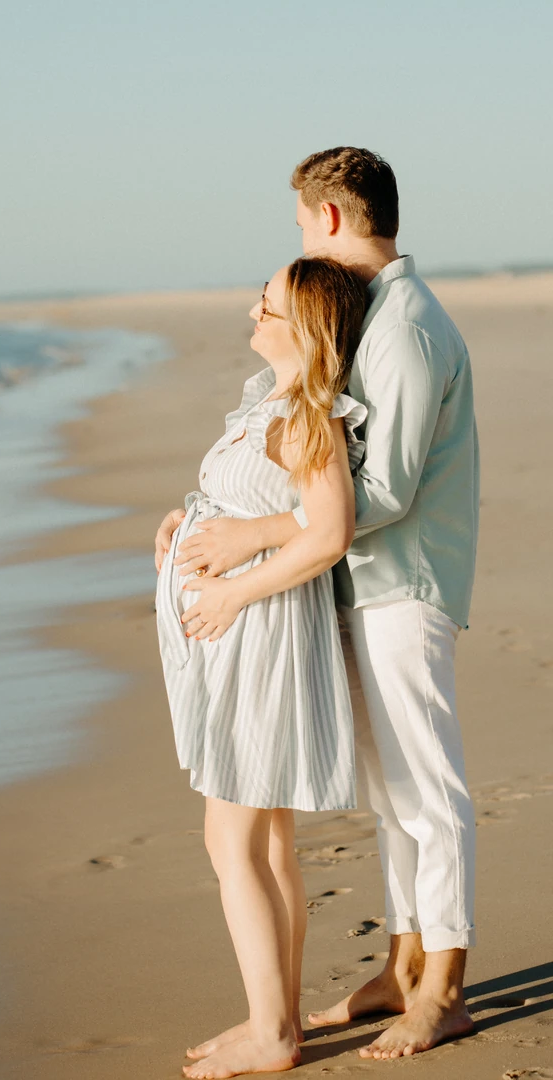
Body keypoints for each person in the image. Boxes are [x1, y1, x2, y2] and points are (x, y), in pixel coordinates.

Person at [160, 146, 479, 1061]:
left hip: (402, 583)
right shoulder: (377, 317)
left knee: (428, 791)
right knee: (391, 796)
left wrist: (255, 536)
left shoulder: (407, 328)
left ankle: (445, 991)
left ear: (331, 218)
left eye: (301, 226)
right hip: (357, 585)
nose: (298, 244)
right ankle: (402, 964)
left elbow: (388, 490)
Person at [155, 255, 369, 1079]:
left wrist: (236, 593)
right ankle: (276, 1015)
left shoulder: (307, 412)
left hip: (259, 636)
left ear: (303, 325)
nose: (253, 309)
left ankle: (272, 1032)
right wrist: (188, 521)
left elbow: (326, 531)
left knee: (232, 840)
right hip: (238, 633)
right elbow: (259, 507)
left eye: (267, 302)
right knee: (269, 838)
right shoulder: (270, 404)